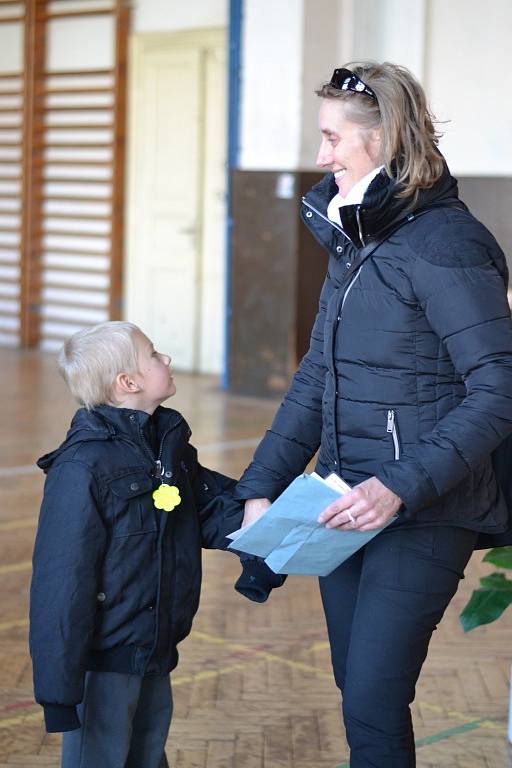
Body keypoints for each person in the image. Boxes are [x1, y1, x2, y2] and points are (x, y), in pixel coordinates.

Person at [235, 61, 512, 766]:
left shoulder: (445, 243)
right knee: (354, 688)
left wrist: (398, 486)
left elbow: (499, 386)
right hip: (343, 497)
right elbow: (315, 378)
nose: (322, 156)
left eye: (333, 138)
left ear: (384, 136)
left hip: (424, 507)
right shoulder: (354, 239)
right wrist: (259, 487)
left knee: (373, 699)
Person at [29, 320, 275, 768]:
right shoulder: (82, 467)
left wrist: (272, 520)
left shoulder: (167, 446)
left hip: (156, 647)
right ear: (128, 383)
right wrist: (59, 693)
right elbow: (60, 584)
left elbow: (206, 511)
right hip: (104, 661)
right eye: (154, 354)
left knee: (146, 755)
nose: (166, 359)